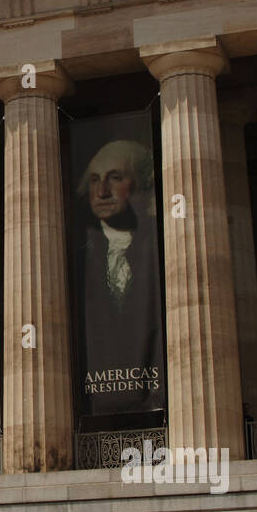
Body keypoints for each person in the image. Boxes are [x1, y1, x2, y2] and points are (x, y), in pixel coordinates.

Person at [75, 138, 165, 416]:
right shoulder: (77, 252)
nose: (102, 192)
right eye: (94, 180)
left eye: (115, 178)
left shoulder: (160, 247)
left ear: (140, 185)